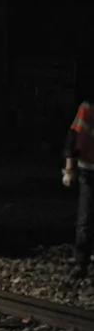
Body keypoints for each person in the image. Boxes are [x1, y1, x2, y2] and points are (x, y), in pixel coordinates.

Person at [64, 98, 94, 277]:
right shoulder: (88, 108)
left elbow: (73, 138)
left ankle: (81, 262)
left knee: (85, 218)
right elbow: (74, 138)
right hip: (88, 170)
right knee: (85, 218)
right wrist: (69, 168)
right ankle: (81, 261)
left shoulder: (87, 107)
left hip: (87, 169)